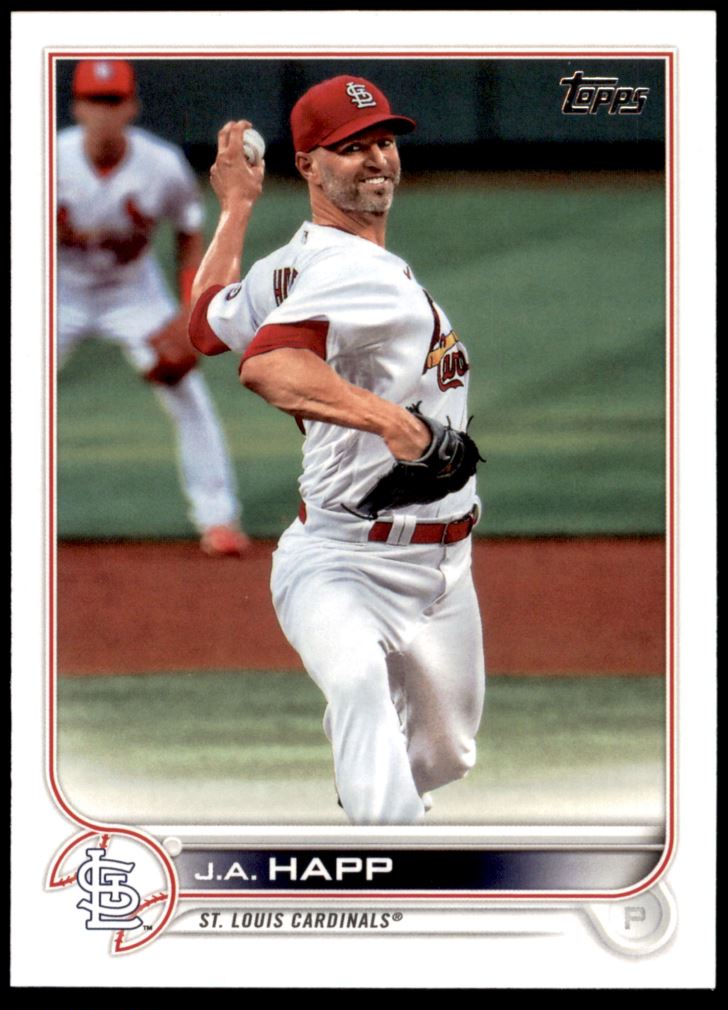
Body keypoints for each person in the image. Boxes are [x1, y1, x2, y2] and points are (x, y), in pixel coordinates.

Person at [189, 74, 486, 823]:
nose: (377, 159)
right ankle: (386, 856)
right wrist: (396, 425)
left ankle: (375, 793)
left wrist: (236, 208)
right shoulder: (352, 271)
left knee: (445, 754)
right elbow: (267, 365)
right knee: (357, 687)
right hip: (340, 558)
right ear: (308, 166)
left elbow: (204, 321)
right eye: (351, 148)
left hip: (443, 568)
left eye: (383, 141)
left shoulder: (291, 266)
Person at [56, 59, 250, 556]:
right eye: (95, 101)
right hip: (58, 291)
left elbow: (190, 234)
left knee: (188, 395)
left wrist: (189, 313)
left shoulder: (161, 165)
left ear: (132, 107)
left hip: (132, 293)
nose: (104, 113)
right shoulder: (48, 159)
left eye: (113, 101)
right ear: (77, 107)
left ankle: (218, 519)